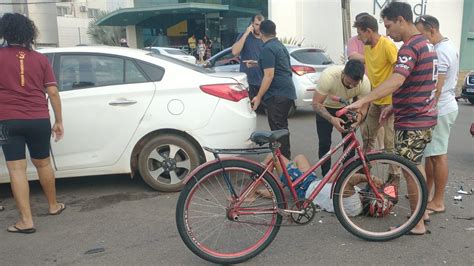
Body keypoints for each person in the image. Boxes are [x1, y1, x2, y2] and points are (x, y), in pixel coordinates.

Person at [346, 2, 438, 235]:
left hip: (414, 120)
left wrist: (364, 100)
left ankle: (416, 223)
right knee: (416, 166)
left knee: (409, 170)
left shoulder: (410, 47)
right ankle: (423, 212)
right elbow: (418, 83)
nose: (387, 32)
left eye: (388, 26)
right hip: (422, 116)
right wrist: (394, 107)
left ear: (401, 20)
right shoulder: (426, 43)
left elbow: (398, 79)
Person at [0, 13, 65, 234]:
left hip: (7, 119)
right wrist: (59, 120)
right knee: (43, 164)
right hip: (39, 119)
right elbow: (53, 92)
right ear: (29, 33)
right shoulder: (40, 59)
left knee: (17, 169)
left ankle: (26, 221)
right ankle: (53, 206)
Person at [415, 15, 459, 215]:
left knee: (438, 156)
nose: (420, 38)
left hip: (440, 108)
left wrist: (424, 107)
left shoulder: (441, 51)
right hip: (442, 107)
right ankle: (428, 194)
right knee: (431, 156)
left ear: (431, 30)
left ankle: (438, 201)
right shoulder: (446, 46)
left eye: (421, 33)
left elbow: (437, 87)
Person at [257, 154, 383, 216]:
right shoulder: (356, 196)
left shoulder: (354, 206)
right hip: (313, 182)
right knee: (300, 157)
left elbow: (349, 181)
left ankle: (252, 191)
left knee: (274, 157)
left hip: (304, 188)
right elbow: (332, 181)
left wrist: (369, 178)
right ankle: (280, 187)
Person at [312, 59, 371, 176]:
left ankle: (347, 176)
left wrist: (357, 120)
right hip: (325, 107)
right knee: (324, 143)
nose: (351, 86)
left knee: (350, 143)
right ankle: (326, 176)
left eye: (355, 84)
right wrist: (332, 119)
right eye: (348, 82)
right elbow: (316, 104)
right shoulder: (328, 76)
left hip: (346, 107)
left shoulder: (365, 83)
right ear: (343, 74)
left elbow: (363, 108)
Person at [248, 20, 296, 159]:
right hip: (286, 93)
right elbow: (278, 66)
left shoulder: (267, 48)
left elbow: (269, 75)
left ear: (260, 32)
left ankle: (285, 164)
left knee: (278, 131)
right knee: (282, 128)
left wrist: (258, 96)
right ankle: (285, 161)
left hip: (277, 94)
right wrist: (257, 63)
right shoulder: (278, 45)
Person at [353, 14, 398, 156]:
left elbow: (400, 71)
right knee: (367, 135)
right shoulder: (367, 46)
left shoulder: (387, 45)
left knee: (389, 141)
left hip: (389, 101)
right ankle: (366, 169)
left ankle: (394, 175)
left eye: (360, 33)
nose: (358, 38)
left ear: (369, 31)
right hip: (375, 100)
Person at [232, 14, 265, 101]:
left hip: (263, 82)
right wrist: (246, 33)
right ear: (252, 24)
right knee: (249, 110)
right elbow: (235, 52)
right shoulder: (244, 36)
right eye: (256, 24)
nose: (258, 27)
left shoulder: (265, 38)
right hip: (247, 82)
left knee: (265, 112)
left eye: (261, 25)